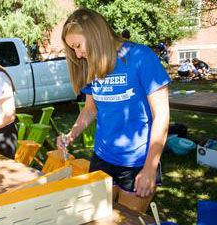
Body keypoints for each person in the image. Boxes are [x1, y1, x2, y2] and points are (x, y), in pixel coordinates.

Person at [58, 8, 170, 213]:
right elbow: (90, 109)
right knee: (97, 217)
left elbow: (161, 115)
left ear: (94, 33)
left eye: (78, 46)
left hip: (137, 161)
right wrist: (71, 135)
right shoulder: (92, 65)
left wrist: (150, 168)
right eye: (73, 49)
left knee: (127, 219)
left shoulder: (141, 56)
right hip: (102, 157)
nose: (78, 54)